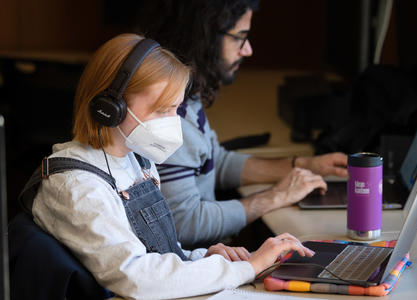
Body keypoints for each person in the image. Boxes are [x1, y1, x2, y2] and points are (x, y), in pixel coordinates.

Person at [29, 33, 314, 299]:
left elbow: (157, 253)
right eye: (161, 110)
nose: (171, 121)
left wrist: (201, 258)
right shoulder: (78, 186)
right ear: (110, 107)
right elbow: (137, 277)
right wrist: (248, 268)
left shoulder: (137, 160)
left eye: (175, 109)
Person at [140, 0, 349, 247]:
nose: (247, 49)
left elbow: (213, 162)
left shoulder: (186, 96)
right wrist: (276, 196)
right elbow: (184, 224)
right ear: (204, 36)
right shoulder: (169, 114)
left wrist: (307, 165)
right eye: (240, 37)